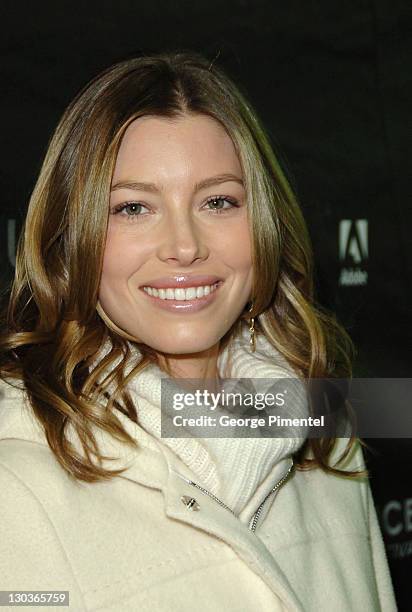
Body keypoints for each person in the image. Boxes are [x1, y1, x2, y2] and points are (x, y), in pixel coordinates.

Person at [0, 51, 396, 611]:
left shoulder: (327, 437)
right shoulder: (15, 485)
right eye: (134, 208)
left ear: (262, 222)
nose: (184, 246)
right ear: (73, 239)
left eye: (218, 201)